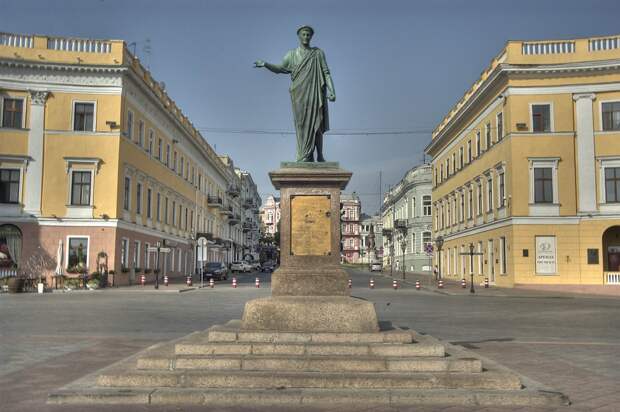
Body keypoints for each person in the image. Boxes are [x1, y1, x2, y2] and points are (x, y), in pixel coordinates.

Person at [254, 25, 336, 162]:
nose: (306, 37)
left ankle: (320, 155)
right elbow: (280, 68)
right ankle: (305, 155)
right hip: (298, 95)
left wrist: (332, 90)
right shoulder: (291, 55)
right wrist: (266, 64)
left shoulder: (318, 53)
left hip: (314, 93)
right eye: (303, 34)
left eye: (308, 34)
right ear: (299, 36)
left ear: (311, 36)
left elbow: (326, 73)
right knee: (302, 125)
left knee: (316, 123)